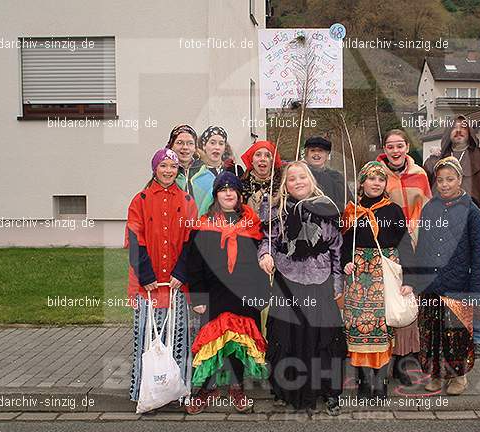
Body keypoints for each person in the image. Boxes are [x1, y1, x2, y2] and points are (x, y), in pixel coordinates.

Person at [257, 161, 346, 415]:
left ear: (311, 181)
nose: (298, 182)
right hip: (288, 282)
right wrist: (264, 255)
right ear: (285, 184)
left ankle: (329, 392)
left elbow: (337, 249)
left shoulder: (325, 209)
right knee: (287, 338)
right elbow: (268, 241)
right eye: (292, 178)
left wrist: (338, 284)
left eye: (302, 178)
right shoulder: (278, 211)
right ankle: (287, 390)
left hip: (320, 283)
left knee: (323, 340)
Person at [422, 115, 480, 358]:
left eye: (464, 127)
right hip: (444, 229)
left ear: (470, 132)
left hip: (475, 227)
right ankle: (444, 333)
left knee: (477, 281)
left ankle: (478, 334)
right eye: (455, 127)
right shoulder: (435, 161)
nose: (459, 131)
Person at [185, 172, 268, 414]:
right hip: (214, 293)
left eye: (233, 190)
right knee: (212, 342)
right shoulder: (204, 224)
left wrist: (261, 292)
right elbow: (194, 264)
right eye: (223, 190)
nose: (228, 193)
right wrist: (198, 297)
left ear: (240, 195)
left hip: (244, 293)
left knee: (238, 342)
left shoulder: (252, 225)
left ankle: (236, 386)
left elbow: (260, 260)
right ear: (216, 195)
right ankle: (207, 387)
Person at [126, 148, 197, 402]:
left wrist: (180, 271)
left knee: (178, 338)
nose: (168, 171)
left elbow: (191, 241)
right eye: (163, 166)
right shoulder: (141, 200)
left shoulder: (187, 201)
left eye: (172, 167)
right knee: (148, 339)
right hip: (150, 285)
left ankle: (175, 391)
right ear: (155, 168)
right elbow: (135, 239)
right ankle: (147, 393)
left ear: (178, 170)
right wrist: (145, 275)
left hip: (176, 284)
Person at [340, 161, 416, 400]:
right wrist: (345, 261)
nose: (376, 183)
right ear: (362, 182)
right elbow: (343, 243)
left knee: (381, 328)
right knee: (358, 328)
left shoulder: (393, 210)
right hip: (358, 274)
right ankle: (363, 381)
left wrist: (410, 277)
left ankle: (380, 381)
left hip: (384, 273)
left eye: (381, 179)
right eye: (371, 179)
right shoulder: (351, 210)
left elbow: (404, 242)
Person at [415, 157, 480, 396]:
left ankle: (459, 376)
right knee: (432, 333)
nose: (445, 184)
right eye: (441, 180)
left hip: (458, 284)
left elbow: (479, 255)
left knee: (456, 335)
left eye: (450, 179)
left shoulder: (472, 212)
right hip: (432, 285)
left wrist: (477, 292)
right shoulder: (430, 208)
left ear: (459, 180)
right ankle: (436, 373)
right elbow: (422, 247)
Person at [375, 129, 432, 386]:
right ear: (384, 149)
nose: (395, 151)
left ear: (407, 147)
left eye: (399, 146)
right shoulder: (376, 174)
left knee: (409, 303)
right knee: (388, 303)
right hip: (388, 246)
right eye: (390, 146)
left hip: (415, 245)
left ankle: (405, 362)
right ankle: (381, 360)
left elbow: (429, 206)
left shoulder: (420, 174)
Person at [185, 126, 244, 216]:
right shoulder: (194, 172)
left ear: (225, 148)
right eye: (212, 143)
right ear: (204, 146)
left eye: (221, 144)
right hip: (203, 223)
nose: (217, 147)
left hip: (232, 224)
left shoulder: (235, 170)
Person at [302, 136, 350, 211]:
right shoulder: (300, 174)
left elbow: (347, 202)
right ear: (307, 154)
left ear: (327, 155)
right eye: (312, 150)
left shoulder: (336, 177)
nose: (316, 154)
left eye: (320, 151)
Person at [240, 140, 283, 222]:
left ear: (272, 161)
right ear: (251, 161)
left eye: (267, 155)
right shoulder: (241, 186)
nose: (262, 159)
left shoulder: (282, 185)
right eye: (258, 155)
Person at [167, 124, 201, 193]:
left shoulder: (203, 171)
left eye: (190, 143)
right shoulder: (165, 171)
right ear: (171, 146)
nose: (185, 147)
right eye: (179, 143)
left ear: (195, 148)